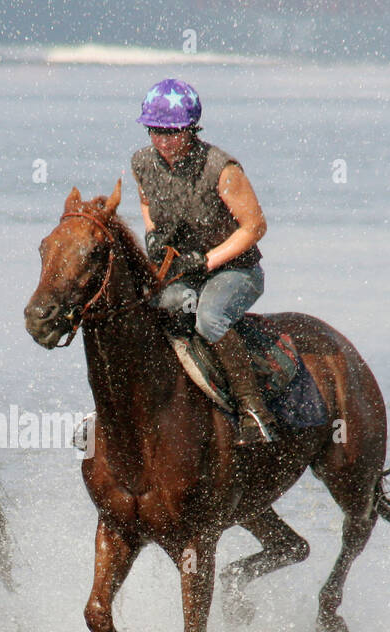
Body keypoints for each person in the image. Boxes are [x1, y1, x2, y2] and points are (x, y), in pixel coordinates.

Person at [131, 77, 279, 445]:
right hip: (186, 274)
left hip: (236, 271)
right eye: (155, 132)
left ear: (192, 129)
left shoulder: (222, 168)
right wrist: (152, 234)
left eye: (172, 133)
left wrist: (208, 260)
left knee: (209, 318)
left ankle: (253, 410)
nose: (162, 142)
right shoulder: (142, 163)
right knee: (152, 312)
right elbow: (148, 202)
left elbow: (255, 226)